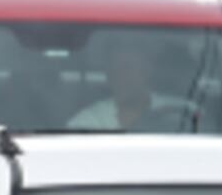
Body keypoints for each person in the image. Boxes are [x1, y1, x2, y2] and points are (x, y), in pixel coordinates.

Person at [66, 38, 196, 132]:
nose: (120, 75)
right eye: (114, 68)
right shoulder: (87, 122)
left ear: (146, 71)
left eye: (128, 68)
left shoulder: (182, 112)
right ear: (108, 76)